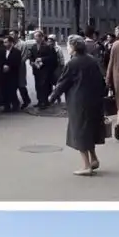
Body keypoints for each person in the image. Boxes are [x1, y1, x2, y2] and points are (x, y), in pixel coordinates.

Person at [49, 35, 107, 175]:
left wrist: (52, 97)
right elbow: (101, 81)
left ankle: (86, 166)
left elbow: (63, 82)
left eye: (69, 45)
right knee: (89, 131)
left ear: (74, 47)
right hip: (94, 100)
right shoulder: (92, 60)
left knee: (80, 132)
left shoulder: (73, 63)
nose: (67, 48)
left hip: (78, 102)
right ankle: (93, 159)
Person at [27, 29, 58, 109]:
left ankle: (45, 102)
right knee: (38, 86)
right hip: (36, 70)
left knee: (44, 86)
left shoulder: (47, 46)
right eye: (34, 37)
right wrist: (31, 62)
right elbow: (31, 57)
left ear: (41, 37)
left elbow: (53, 58)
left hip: (45, 70)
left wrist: (42, 59)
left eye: (37, 36)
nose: (35, 38)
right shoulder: (33, 47)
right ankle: (39, 101)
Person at [0, 35, 22, 112]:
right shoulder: (2, 51)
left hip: (12, 74)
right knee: (4, 90)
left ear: (10, 42)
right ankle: (6, 106)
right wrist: (3, 66)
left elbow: (18, 62)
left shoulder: (17, 52)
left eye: (6, 42)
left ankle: (15, 104)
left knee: (12, 90)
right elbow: (0, 60)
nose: (4, 44)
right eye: (4, 42)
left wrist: (9, 66)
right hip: (3, 74)